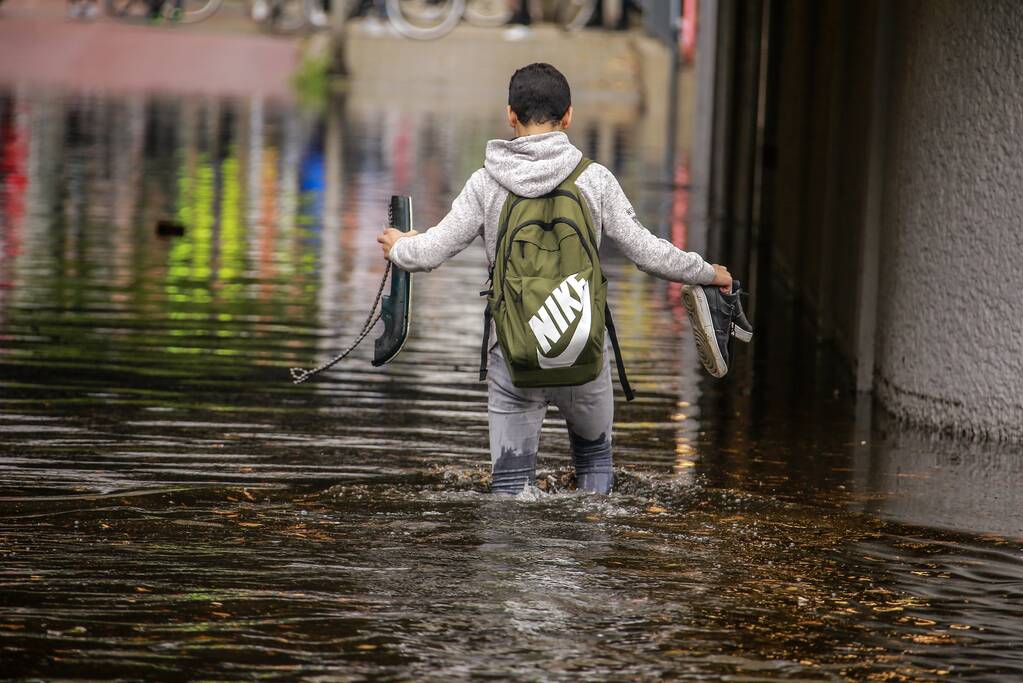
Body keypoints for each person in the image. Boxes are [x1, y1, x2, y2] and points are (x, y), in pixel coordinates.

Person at [377, 63, 732, 496]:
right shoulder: (594, 180)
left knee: (510, 491)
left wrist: (398, 246)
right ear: (568, 117)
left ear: (510, 115)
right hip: (583, 352)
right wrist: (708, 272)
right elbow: (647, 252)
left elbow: (429, 254)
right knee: (596, 476)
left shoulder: (485, 184)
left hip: (513, 356)